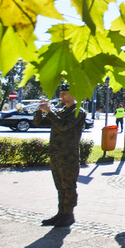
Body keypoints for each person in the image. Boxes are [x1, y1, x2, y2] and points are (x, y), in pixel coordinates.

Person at [34, 84, 86, 228]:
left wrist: (49, 112)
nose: (61, 95)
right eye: (61, 92)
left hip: (69, 156)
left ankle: (68, 215)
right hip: (56, 154)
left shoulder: (78, 112)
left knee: (68, 185)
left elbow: (63, 126)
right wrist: (40, 111)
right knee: (59, 185)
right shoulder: (61, 111)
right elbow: (39, 123)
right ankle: (61, 213)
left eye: (64, 93)